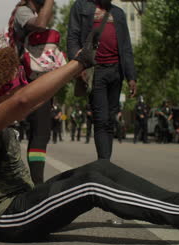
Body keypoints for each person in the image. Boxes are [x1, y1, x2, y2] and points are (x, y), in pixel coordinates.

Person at [0, 46, 179, 244]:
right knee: (91, 186)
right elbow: (24, 101)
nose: (25, 83)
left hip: (24, 204)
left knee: (100, 167)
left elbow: (30, 100)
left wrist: (72, 70)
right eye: (19, 78)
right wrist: (78, 64)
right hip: (6, 219)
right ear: (0, 89)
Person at [67, 0, 137, 160]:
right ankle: (103, 162)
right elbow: (73, 37)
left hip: (116, 71)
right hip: (95, 70)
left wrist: (131, 76)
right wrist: (77, 67)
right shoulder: (81, 7)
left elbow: (126, 47)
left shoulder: (118, 13)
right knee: (101, 118)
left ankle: (106, 162)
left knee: (110, 119)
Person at [8, 0, 56, 184]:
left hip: (38, 80)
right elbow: (41, 26)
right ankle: (37, 186)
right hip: (30, 81)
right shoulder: (23, 12)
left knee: (40, 133)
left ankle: (36, 184)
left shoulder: (30, 12)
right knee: (39, 134)